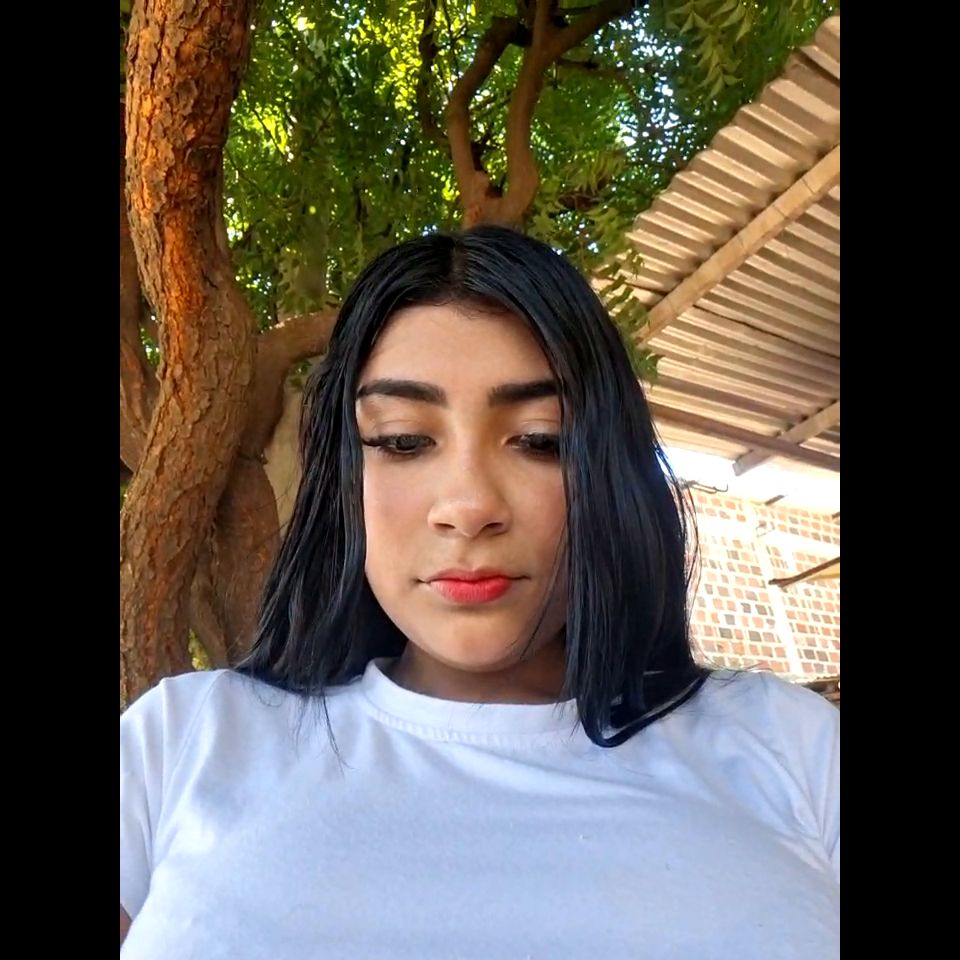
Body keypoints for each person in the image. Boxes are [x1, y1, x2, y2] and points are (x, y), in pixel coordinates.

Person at [120, 226, 839, 958]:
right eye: (403, 440)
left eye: (540, 439)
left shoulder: (792, 746)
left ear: (608, 471)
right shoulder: (181, 743)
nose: (468, 506)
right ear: (343, 478)